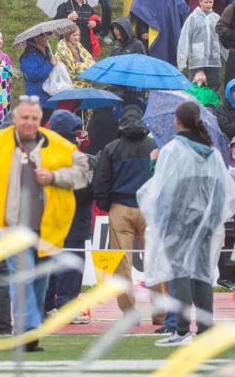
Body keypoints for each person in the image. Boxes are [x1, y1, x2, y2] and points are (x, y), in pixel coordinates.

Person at [0, 97, 89, 346]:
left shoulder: (55, 144)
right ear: (15, 119)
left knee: (40, 280)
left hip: (47, 227)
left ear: (40, 120)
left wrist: (54, 176)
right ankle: (28, 330)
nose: (29, 123)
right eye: (25, 118)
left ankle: (30, 326)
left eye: (34, 118)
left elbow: (82, 174)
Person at [138, 101, 235, 346]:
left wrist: (161, 220)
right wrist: (214, 219)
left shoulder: (172, 150)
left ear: (177, 120)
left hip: (179, 223)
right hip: (206, 224)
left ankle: (182, 330)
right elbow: (222, 190)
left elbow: (161, 190)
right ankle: (205, 326)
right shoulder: (212, 152)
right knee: (203, 275)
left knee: (180, 275)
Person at [90, 106, 157, 318]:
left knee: (122, 265)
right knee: (155, 262)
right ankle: (161, 313)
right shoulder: (154, 146)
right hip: (149, 208)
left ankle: (129, 312)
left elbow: (101, 180)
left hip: (120, 208)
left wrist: (106, 204)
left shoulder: (111, 148)